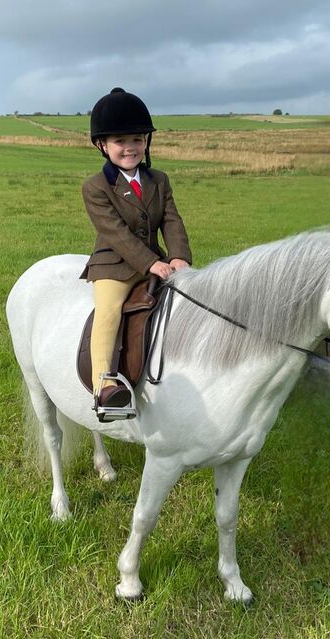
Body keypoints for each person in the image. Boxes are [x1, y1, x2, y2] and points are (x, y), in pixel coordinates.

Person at [80, 87, 192, 412]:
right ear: (102, 145)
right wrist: (150, 264)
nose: (130, 148)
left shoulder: (159, 179)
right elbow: (115, 233)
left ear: (146, 142)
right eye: (120, 141)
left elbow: (171, 220)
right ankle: (104, 384)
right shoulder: (95, 187)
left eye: (136, 140)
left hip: (158, 261)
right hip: (114, 265)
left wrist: (179, 256)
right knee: (109, 310)